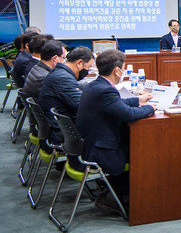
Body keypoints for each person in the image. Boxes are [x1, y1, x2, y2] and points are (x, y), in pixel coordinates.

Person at [77, 50, 155, 210]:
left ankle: (114, 191)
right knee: (144, 152)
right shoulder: (105, 90)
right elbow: (129, 114)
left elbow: (116, 103)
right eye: (123, 68)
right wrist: (150, 107)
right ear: (117, 70)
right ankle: (118, 196)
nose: (124, 71)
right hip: (101, 151)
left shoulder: (95, 85)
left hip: (88, 144)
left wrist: (137, 100)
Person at [38, 46, 94, 152]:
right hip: (63, 135)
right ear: (79, 63)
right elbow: (82, 106)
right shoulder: (63, 78)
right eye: (88, 67)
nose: (87, 71)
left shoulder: (60, 73)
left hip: (58, 129)